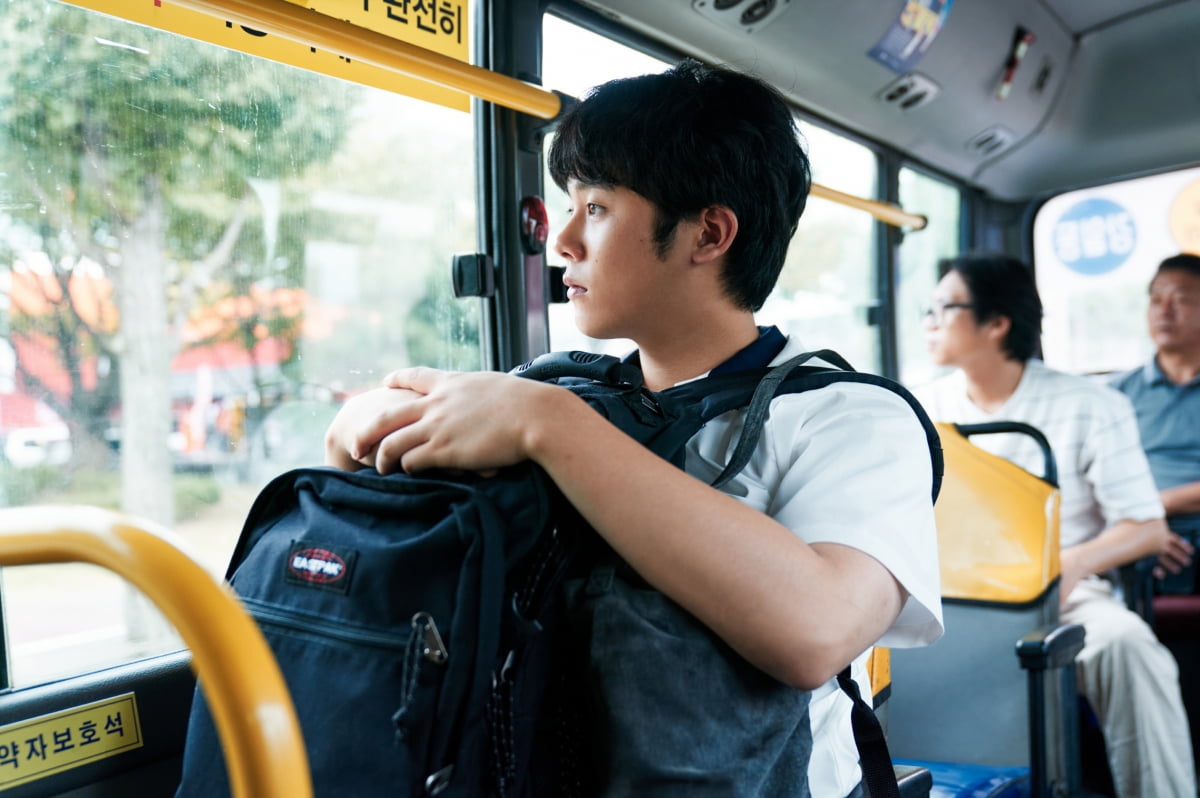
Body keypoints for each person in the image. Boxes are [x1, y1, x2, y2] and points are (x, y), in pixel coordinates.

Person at [324, 60, 943, 796]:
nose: (562, 242)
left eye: (597, 207)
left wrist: (550, 427)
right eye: (569, 205)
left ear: (708, 233)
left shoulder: (851, 418)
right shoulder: (553, 390)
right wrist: (364, 431)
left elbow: (816, 631)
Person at [914, 252, 1195, 798]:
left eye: (943, 309)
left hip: (1065, 590)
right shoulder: (921, 408)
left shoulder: (1091, 405)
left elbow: (1146, 528)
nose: (929, 323)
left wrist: (1068, 567)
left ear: (997, 324)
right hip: (945, 590)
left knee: (1128, 646)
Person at [1111, 253, 1200, 593]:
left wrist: (1158, 504)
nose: (1164, 311)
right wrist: (1142, 529)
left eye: (1181, 299)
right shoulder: (1117, 394)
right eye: (1156, 299)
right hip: (1135, 530)